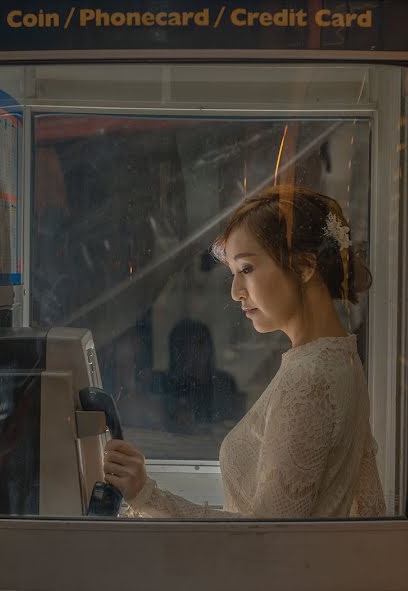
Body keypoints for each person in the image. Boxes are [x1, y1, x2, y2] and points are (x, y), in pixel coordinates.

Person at [103, 185, 386, 518]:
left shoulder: (309, 380)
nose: (236, 292)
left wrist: (146, 495)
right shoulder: (342, 360)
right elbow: (369, 508)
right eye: (234, 274)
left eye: (247, 269)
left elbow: (264, 540)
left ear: (305, 266)